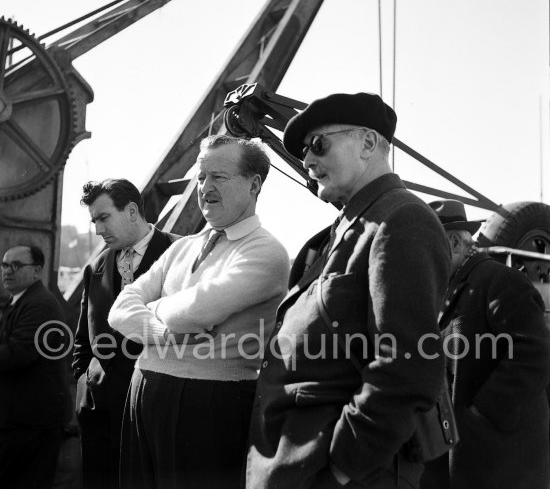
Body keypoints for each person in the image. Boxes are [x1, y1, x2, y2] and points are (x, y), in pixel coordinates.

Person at [246, 92, 451, 489]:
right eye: (305, 151)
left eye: (318, 144)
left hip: (344, 473)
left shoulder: (401, 220)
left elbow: (407, 367)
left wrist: (340, 468)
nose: (306, 161)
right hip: (297, 464)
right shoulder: (350, 226)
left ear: (368, 143)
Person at [107, 135, 290, 489]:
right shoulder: (183, 247)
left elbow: (195, 311)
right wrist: (161, 333)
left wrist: (150, 309)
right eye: (202, 177)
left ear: (254, 184)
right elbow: (119, 310)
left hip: (209, 401)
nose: (205, 187)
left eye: (218, 177)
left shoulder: (266, 252)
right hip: (143, 389)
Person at [420, 199, 550, 489]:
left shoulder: (500, 281)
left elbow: (535, 354)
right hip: (461, 463)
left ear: (454, 242)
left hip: (501, 463)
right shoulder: (447, 290)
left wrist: (482, 413)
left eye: (426, 246)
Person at [73, 178, 179, 489]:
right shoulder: (96, 267)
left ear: (132, 211)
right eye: (94, 221)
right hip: (97, 412)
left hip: (152, 409)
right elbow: (83, 335)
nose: (97, 229)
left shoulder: (179, 252)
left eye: (103, 218)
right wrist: (82, 378)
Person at [0, 244, 69, 489]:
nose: (8, 271)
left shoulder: (39, 305)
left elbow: (17, 354)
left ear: (37, 271)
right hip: (22, 420)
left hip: (32, 422)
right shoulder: (19, 301)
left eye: (16, 265)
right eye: (5, 265)